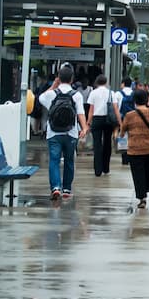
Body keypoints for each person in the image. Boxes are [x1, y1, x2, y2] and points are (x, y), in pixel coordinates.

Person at [38, 65, 88, 201]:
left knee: (54, 161)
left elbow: (41, 98)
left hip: (53, 133)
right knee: (69, 161)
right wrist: (84, 128)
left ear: (59, 78)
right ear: (72, 79)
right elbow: (80, 113)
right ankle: (66, 189)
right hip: (71, 133)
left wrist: (54, 86)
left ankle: (55, 188)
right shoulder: (76, 95)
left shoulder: (51, 94)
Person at [119, 88, 149, 208]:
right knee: (147, 168)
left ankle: (142, 197)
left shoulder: (129, 115)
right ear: (147, 99)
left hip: (134, 149)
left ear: (134, 100)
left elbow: (122, 132)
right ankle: (147, 187)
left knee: (137, 173)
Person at [86, 74, 121, 177]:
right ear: (106, 82)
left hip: (97, 119)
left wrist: (88, 123)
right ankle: (106, 168)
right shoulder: (111, 93)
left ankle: (98, 170)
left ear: (97, 82)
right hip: (108, 120)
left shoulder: (93, 93)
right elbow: (115, 109)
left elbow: (91, 110)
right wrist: (120, 122)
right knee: (107, 143)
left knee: (97, 144)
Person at [116, 78, 136, 164]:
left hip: (122, 118)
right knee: (132, 137)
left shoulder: (118, 94)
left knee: (123, 136)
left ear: (123, 84)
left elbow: (115, 107)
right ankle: (130, 156)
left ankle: (124, 158)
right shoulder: (134, 93)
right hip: (133, 118)